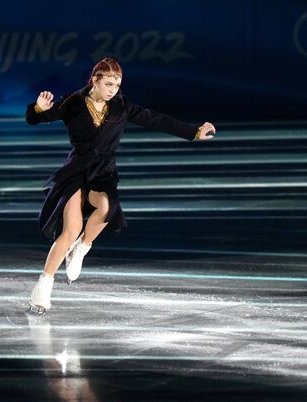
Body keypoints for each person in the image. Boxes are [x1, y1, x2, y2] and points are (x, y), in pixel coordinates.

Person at [25, 57, 216, 315]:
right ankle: (43, 289)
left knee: (107, 206)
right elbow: (41, 117)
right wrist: (38, 109)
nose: (113, 89)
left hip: (102, 172)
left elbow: (155, 119)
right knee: (71, 228)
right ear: (95, 80)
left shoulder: (122, 106)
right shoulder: (73, 102)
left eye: (117, 84)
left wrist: (193, 131)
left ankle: (82, 248)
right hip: (76, 170)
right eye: (109, 83)